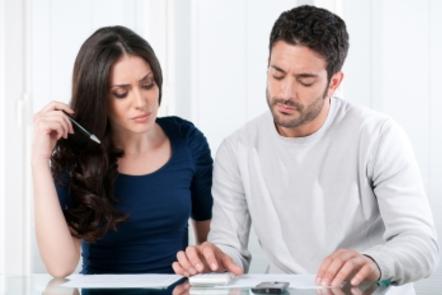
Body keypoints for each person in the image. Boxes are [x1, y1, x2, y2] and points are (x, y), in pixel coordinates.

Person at [172, 5, 439, 288]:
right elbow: (229, 247)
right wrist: (214, 262)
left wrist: (373, 262)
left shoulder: (377, 136)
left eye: (305, 80)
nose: (286, 93)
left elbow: (422, 246)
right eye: (277, 75)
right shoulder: (237, 149)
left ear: (334, 82)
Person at [32, 26, 213, 277]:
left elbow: (211, 244)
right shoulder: (79, 157)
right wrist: (40, 160)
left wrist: (203, 264)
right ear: (98, 98)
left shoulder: (187, 140)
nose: (141, 102)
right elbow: (61, 267)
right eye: (121, 93)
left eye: (148, 84)